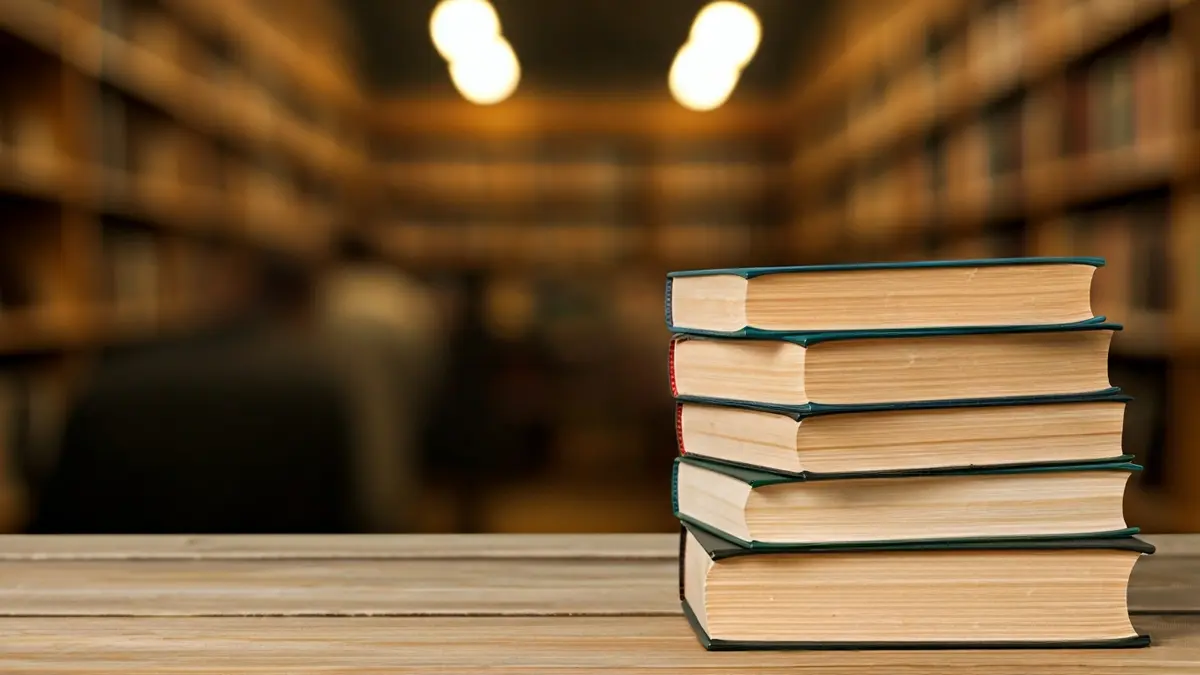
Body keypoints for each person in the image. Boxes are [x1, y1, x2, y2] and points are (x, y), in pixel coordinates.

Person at [317, 231, 444, 532]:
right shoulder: (407, 297)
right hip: (399, 419)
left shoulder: (327, 297)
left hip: (335, 436)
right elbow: (431, 370)